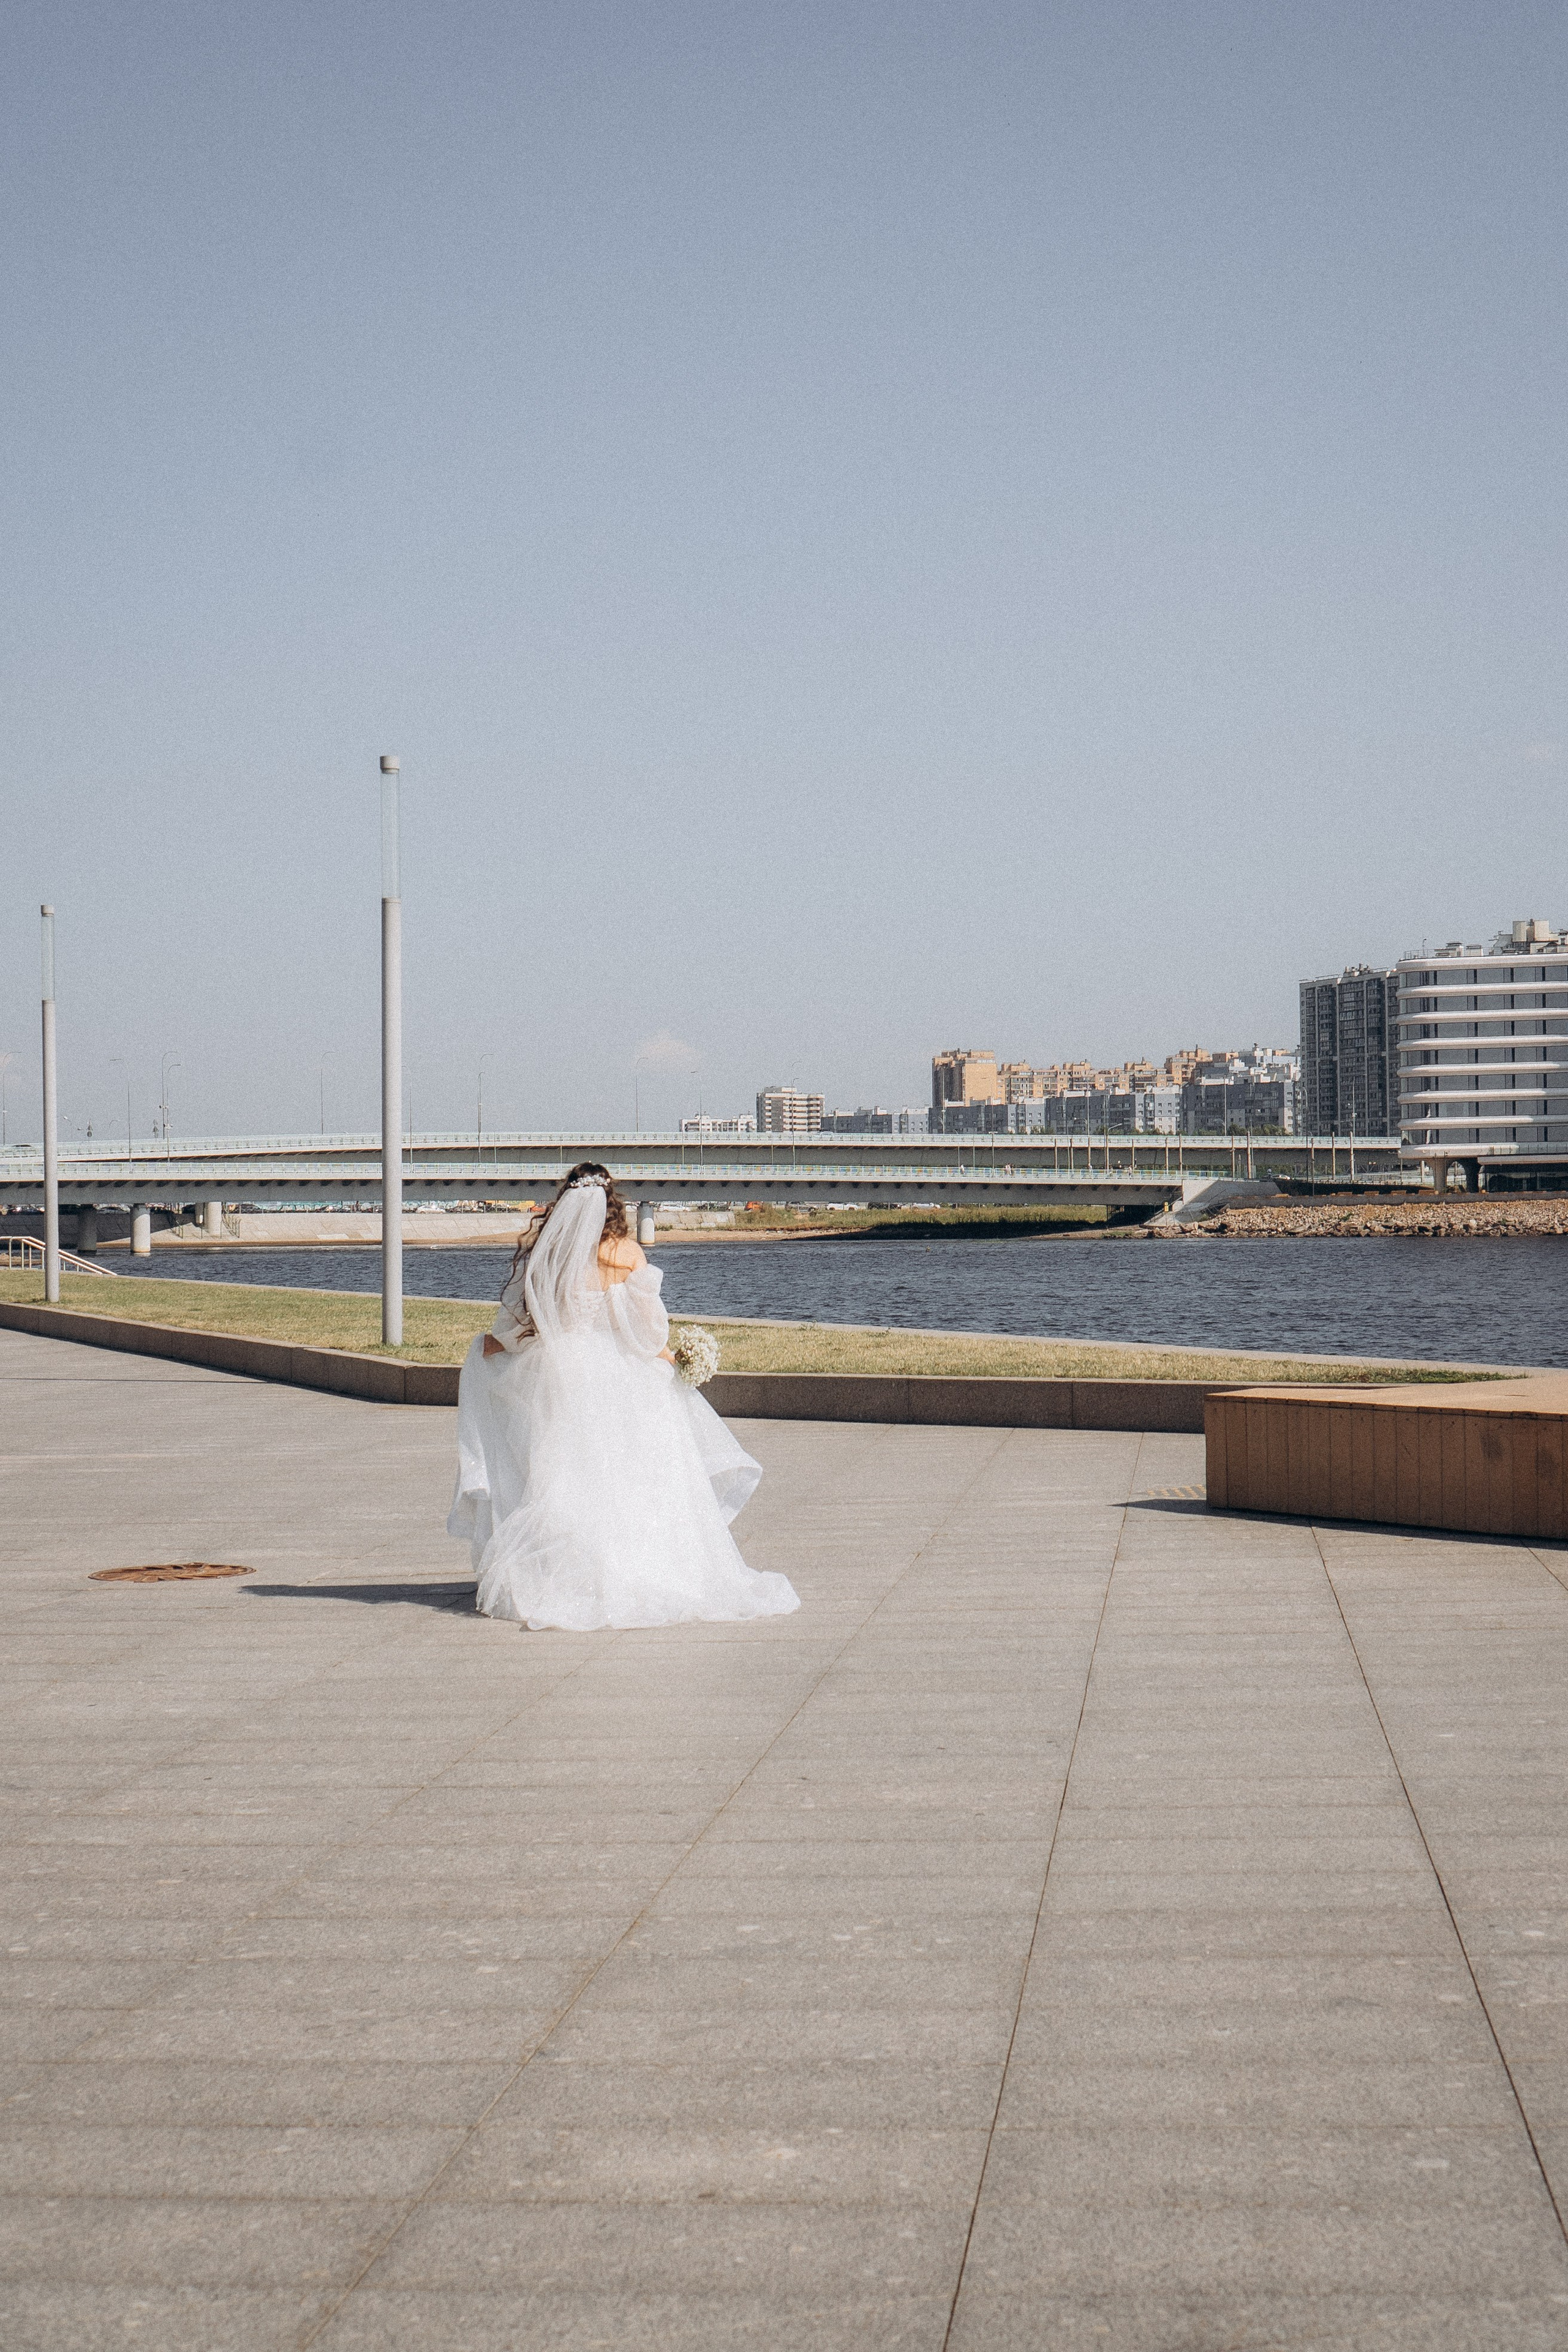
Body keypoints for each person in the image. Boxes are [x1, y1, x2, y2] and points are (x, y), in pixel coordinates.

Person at [447, 1162, 800, 1631]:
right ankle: (645, 1566)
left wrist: (488, 1349)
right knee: (637, 1474)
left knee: (568, 1476)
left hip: (562, 1373)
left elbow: (518, 1328)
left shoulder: (551, 1255)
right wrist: (671, 1356)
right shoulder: (628, 1253)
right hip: (622, 1374)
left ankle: (572, 1572)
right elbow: (647, 1330)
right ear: (614, 1202)